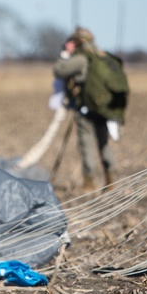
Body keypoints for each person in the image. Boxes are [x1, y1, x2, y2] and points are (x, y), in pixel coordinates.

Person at [53, 27, 119, 192]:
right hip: (104, 109)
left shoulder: (82, 59)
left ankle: (89, 183)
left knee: (87, 144)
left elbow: (59, 70)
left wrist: (65, 54)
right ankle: (110, 180)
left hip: (86, 110)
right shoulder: (103, 57)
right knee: (104, 143)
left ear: (77, 42)